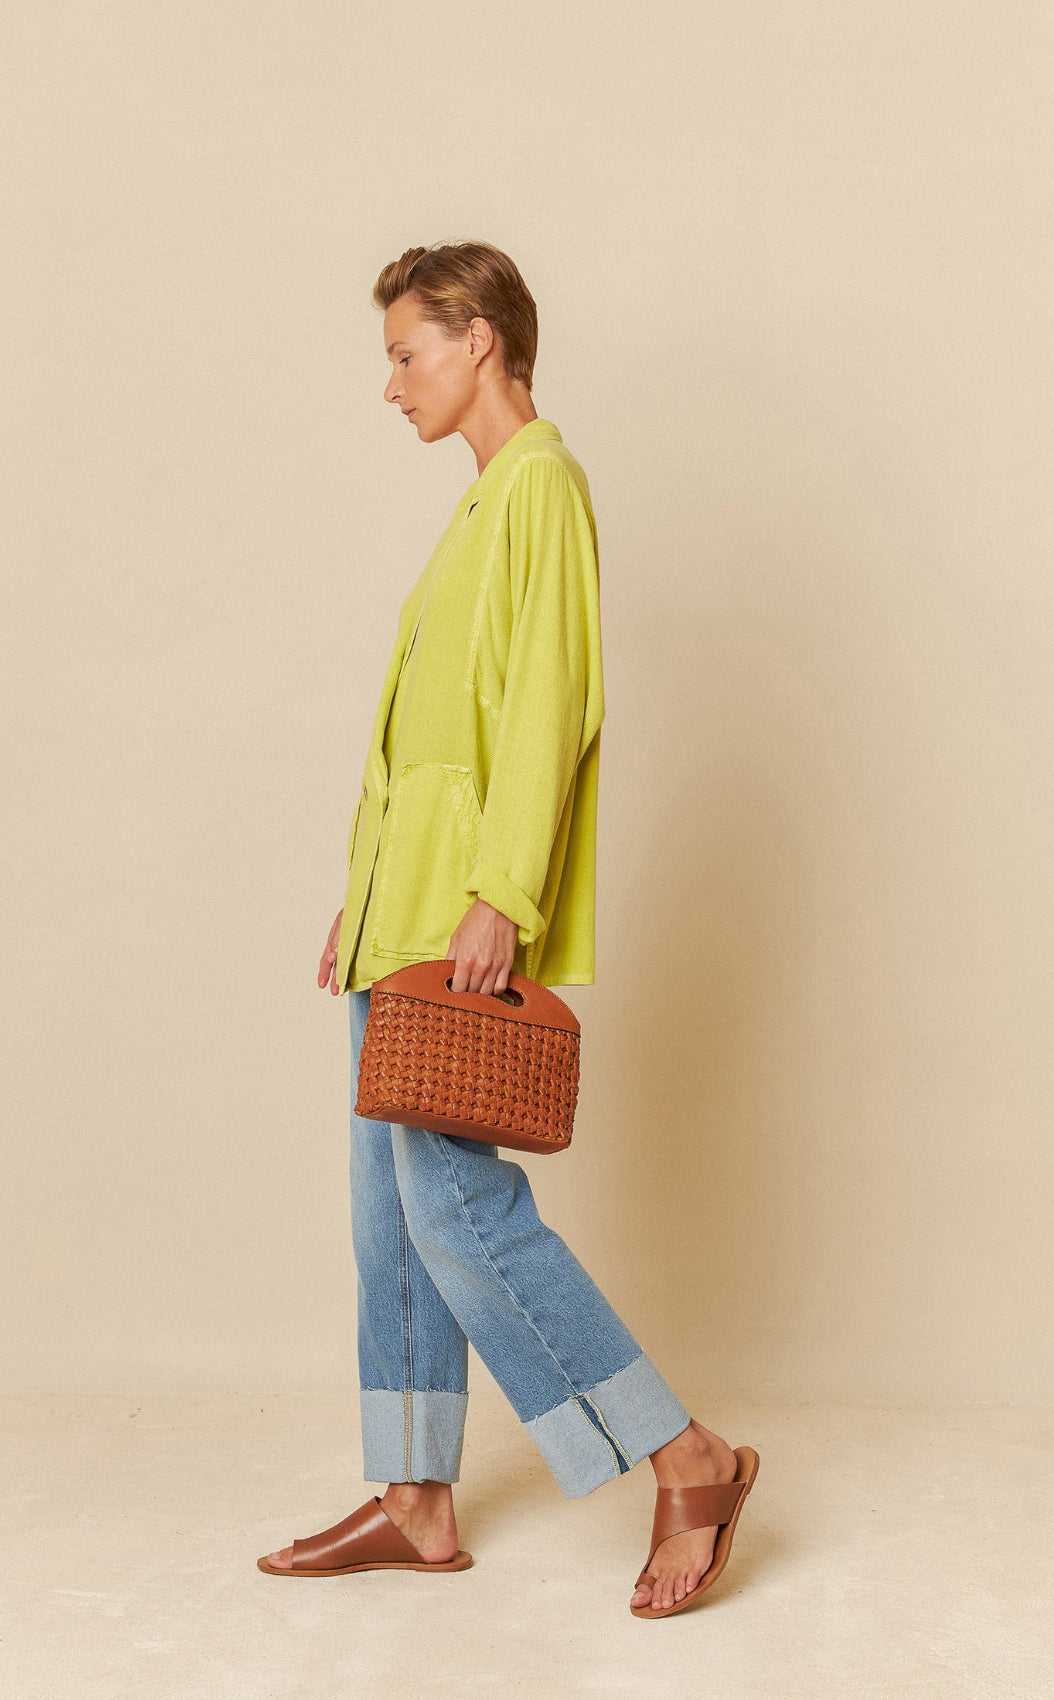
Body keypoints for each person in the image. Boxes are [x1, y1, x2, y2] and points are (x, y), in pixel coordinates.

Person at [257, 242, 758, 1616]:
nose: (390, 384)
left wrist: (504, 895)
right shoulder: (480, 505)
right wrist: (365, 895)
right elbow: (427, 745)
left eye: (405, 352)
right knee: (387, 1217)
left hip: (460, 909)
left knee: (456, 1207)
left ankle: (687, 1455)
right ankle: (416, 1496)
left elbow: (547, 704)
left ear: (478, 338)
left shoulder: (541, 485)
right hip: (401, 910)